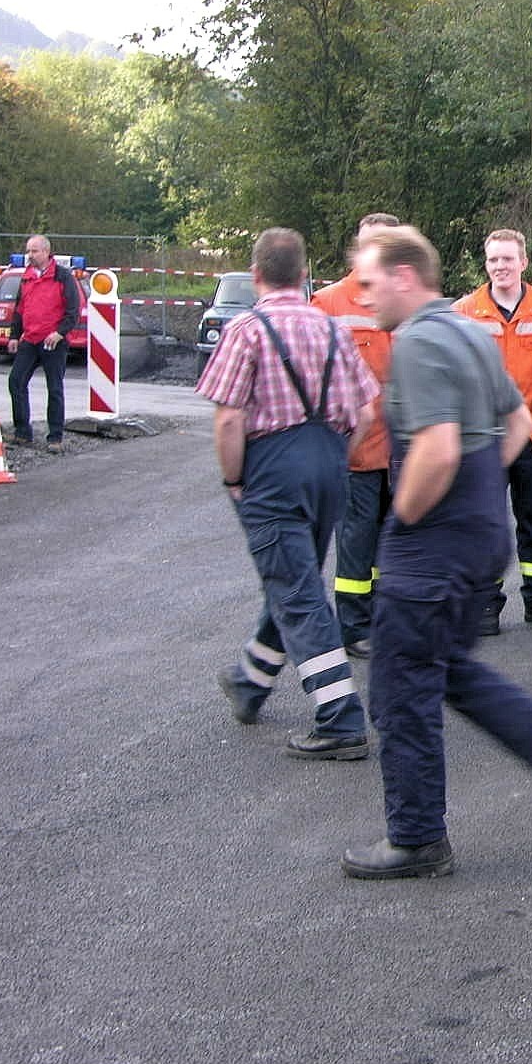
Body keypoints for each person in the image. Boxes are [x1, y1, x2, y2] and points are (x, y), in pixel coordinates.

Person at [342, 225, 532, 879]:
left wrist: (405, 515)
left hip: (431, 546)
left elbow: (434, 447)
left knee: (400, 690)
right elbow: (519, 423)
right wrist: (477, 489)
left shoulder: (421, 343)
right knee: (445, 668)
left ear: (405, 277)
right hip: (479, 533)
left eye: (370, 282)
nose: (362, 294)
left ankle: (416, 841)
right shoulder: (468, 330)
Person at [199, 228, 376, 759]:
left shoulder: (247, 329)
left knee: (297, 591)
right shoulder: (331, 328)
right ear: (304, 277)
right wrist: (334, 457)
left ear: (256, 276)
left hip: (272, 470)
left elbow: (229, 418)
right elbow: (368, 413)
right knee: (293, 576)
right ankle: (251, 681)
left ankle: (341, 719)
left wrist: (234, 479)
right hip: (329, 464)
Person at [454, 229, 532, 633]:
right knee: (484, 521)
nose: (500, 267)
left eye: (508, 259)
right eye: (493, 261)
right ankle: (485, 604)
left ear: (524, 263)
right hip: (483, 437)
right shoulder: (465, 312)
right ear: (485, 265)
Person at [311, 211, 399, 658]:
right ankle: (354, 625)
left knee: (393, 537)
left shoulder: (404, 300)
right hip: (358, 449)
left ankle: (384, 618)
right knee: (357, 539)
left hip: (401, 446)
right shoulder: (329, 303)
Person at [6, 235, 80, 451]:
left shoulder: (62, 276)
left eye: (35, 251)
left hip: (53, 341)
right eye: (28, 251)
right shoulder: (26, 277)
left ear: (47, 252)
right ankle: (22, 433)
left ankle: (55, 438)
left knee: (54, 388)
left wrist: (59, 333)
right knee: (16, 382)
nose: (30, 255)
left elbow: (72, 311)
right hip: (30, 339)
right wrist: (13, 336)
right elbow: (20, 310)